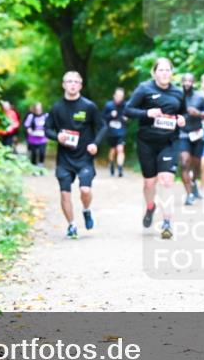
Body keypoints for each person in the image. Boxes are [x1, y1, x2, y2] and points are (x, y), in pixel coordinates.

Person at [125, 58, 187, 239]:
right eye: (161, 70)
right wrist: (146, 113)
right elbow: (128, 110)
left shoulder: (178, 92)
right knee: (149, 183)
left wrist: (182, 119)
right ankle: (150, 207)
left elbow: (182, 112)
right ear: (154, 72)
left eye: (168, 70)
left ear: (172, 73)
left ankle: (167, 222)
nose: (164, 73)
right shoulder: (144, 89)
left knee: (167, 180)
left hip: (169, 142)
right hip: (147, 142)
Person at [44, 72, 106, 239]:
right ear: (63, 85)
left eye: (75, 82)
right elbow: (47, 129)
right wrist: (57, 136)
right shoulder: (57, 108)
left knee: (85, 190)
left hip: (84, 157)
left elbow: (102, 127)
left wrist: (95, 144)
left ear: (80, 85)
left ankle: (86, 210)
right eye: (69, 81)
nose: (72, 84)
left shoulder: (88, 106)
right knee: (65, 193)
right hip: (64, 159)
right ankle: (71, 225)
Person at [177, 73, 204, 206]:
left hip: (197, 134)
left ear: (193, 83)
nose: (187, 83)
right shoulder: (177, 97)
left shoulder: (200, 97)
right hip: (183, 134)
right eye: (185, 80)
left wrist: (199, 113)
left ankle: (194, 182)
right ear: (182, 82)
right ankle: (188, 194)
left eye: (190, 81)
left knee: (196, 164)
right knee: (184, 162)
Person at [102, 87, 128, 177]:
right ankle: (112, 163)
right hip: (111, 132)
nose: (119, 97)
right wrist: (110, 115)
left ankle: (120, 169)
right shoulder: (109, 105)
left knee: (120, 149)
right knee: (113, 150)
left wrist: (126, 118)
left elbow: (129, 115)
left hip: (121, 131)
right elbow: (102, 117)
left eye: (121, 96)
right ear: (114, 96)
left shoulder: (125, 105)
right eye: (118, 95)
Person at [23, 102, 48, 166]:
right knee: (34, 153)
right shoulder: (31, 116)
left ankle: (40, 165)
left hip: (43, 138)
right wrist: (29, 129)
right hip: (33, 138)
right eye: (37, 109)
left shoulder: (46, 116)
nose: (38, 110)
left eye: (39, 109)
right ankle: (34, 167)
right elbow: (26, 125)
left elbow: (49, 126)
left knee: (42, 152)